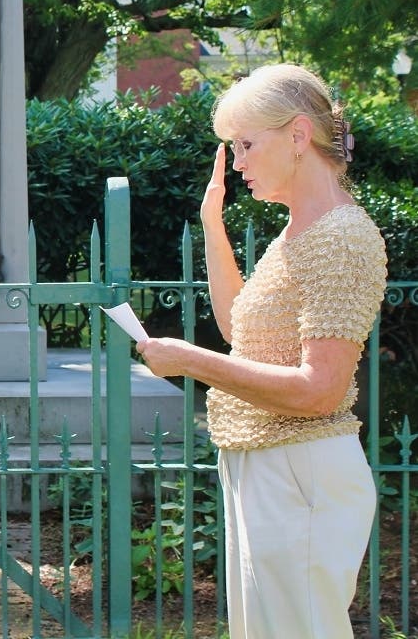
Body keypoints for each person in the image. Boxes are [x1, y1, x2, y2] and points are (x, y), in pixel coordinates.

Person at [136, 63, 386, 639]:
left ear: (298, 135)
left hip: (301, 474)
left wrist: (190, 362)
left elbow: (319, 390)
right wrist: (212, 226)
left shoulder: (340, 238)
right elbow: (242, 331)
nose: (238, 162)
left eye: (246, 145)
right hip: (271, 468)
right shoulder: (301, 231)